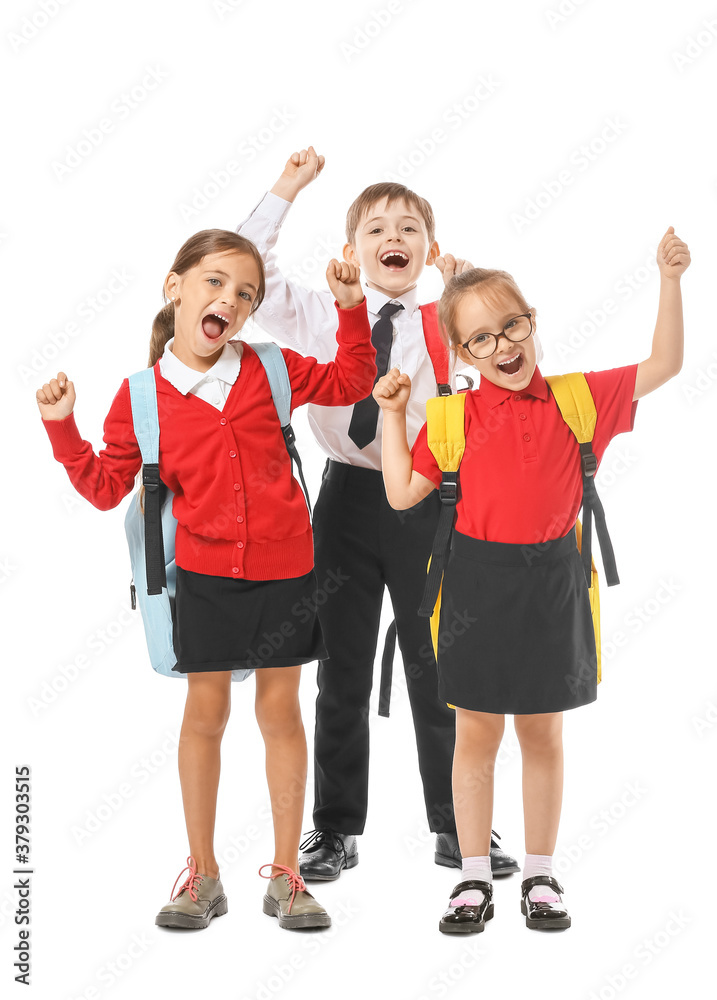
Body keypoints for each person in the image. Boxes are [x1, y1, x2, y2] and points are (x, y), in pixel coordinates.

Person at [36, 229, 376, 931]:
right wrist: (62, 429)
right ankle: (204, 876)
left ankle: (287, 878)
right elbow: (106, 488)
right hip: (205, 576)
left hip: (287, 567)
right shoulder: (141, 397)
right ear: (176, 287)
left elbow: (349, 380)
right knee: (205, 718)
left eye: (245, 292)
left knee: (280, 715)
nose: (230, 299)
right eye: (216, 282)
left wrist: (348, 310)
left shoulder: (272, 369)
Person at [374, 227, 690, 932]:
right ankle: (473, 877)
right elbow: (400, 494)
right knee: (475, 735)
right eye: (480, 340)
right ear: (460, 354)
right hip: (472, 587)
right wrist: (393, 416)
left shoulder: (580, 400)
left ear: (531, 321)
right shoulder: (449, 417)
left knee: (542, 734)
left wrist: (669, 279)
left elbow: (664, 362)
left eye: (510, 326)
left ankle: (541, 873)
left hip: (551, 582)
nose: (502, 347)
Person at [236, 146, 519, 881]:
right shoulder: (321, 313)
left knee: (439, 665)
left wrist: (471, 300)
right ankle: (334, 830)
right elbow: (247, 271)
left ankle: (460, 828)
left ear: (426, 251)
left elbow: (509, 374)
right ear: (352, 251)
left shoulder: (450, 316)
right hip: (347, 502)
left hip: (428, 500)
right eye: (375, 229)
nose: (392, 237)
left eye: (408, 229)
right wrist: (286, 188)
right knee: (340, 670)